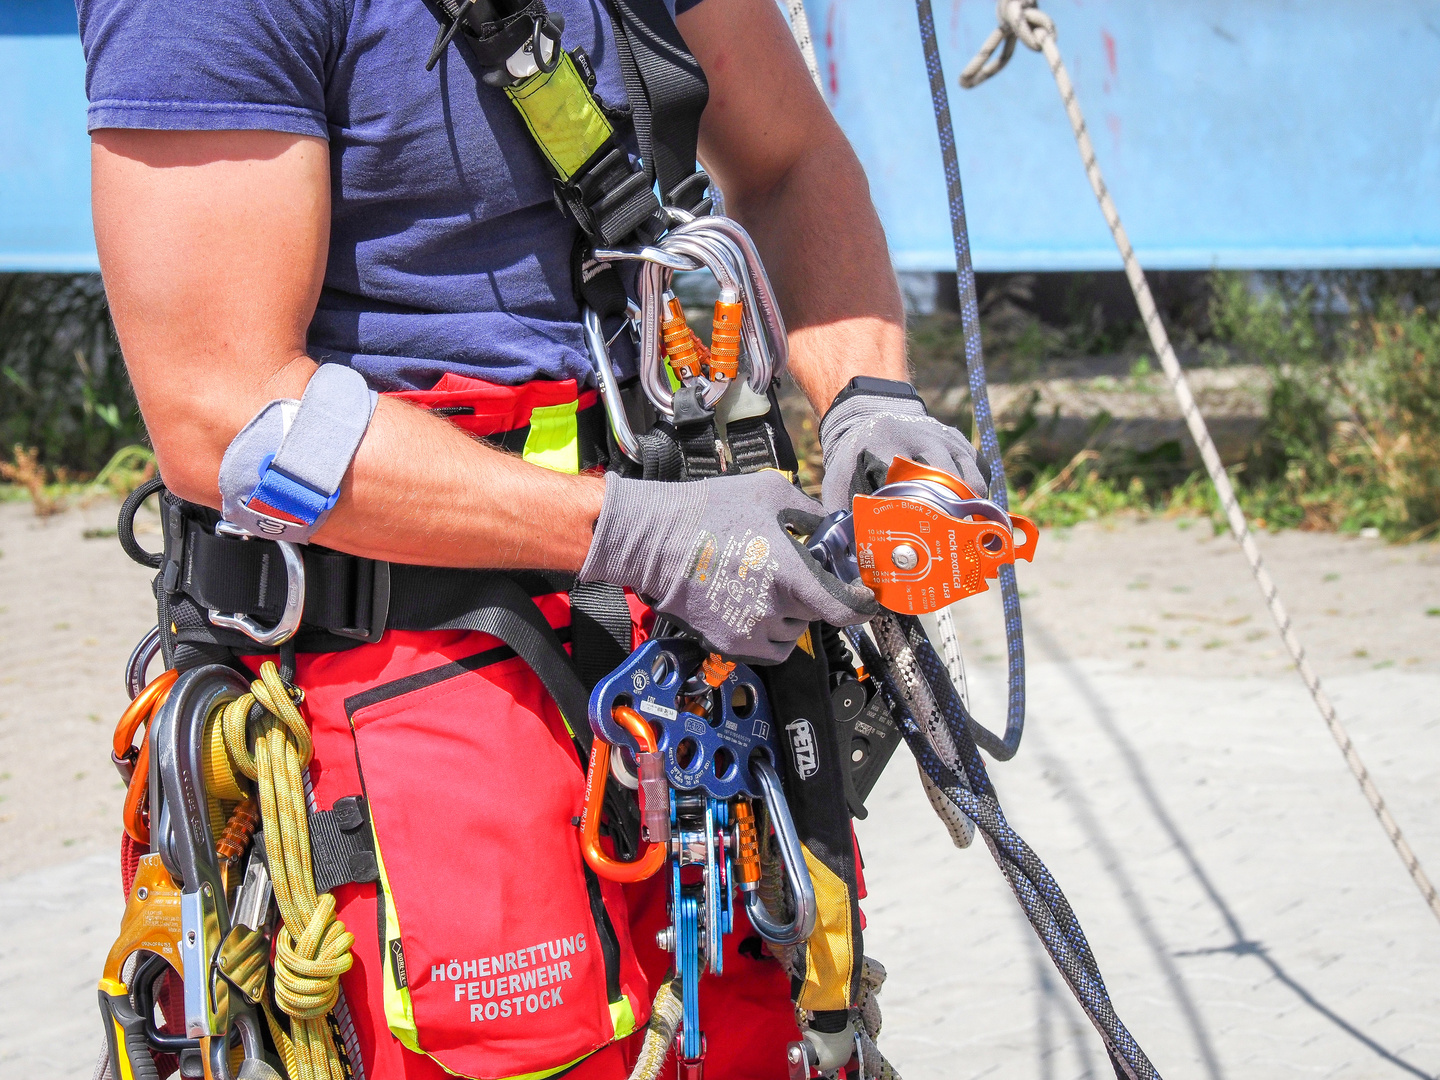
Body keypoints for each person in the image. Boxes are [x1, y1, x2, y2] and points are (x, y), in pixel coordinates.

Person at [79, 0, 985, 1076]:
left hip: (697, 642)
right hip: (419, 654)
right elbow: (223, 411)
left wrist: (871, 400)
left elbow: (789, 162)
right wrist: (641, 536)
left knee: (776, 1029)